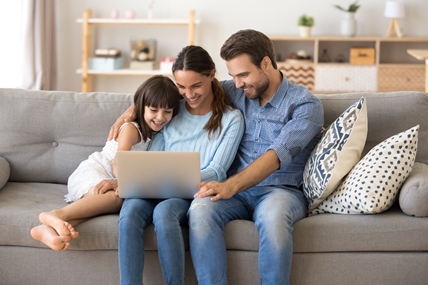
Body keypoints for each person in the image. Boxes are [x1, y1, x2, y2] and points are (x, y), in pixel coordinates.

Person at [187, 29, 324, 285]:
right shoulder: (236, 92)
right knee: (200, 209)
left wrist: (229, 185)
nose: (238, 83)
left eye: (243, 74)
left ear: (266, 63)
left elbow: (276, 156)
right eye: (233, 76)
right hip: (236, 194)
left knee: (273, 217)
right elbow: (189, 91)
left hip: (281, 191)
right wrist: (132, 111)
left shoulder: (306, 105)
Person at [108, 45, 244, 285]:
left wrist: (167, 179)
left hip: (190, 191)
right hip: (155, 184)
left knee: (163, 213)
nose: (188, 94)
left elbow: (217, 171)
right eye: (181, 86)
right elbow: (153, 154)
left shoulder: (231, 119)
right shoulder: (171, 111)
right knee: (129, 211)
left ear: (212, 75)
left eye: (196, 86)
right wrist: (130, 178)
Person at [30, 75, 181, 251]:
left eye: (167, 111)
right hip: (94, 171)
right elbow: (119, 162)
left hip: (110, 178)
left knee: (110, 204)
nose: (160, 117)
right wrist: (124, 182)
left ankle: (47, 229)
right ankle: (55, 214)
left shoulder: (155, 134)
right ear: (141, 107)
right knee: (117, 199)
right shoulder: (132, 129)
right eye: (154, 110)